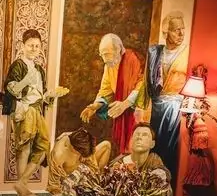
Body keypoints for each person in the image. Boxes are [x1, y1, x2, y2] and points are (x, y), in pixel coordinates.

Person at [136, 11, 189, 184]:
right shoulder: (155, 52)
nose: (181, 33)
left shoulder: (188, 53)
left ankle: (166, 184)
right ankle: (149, 184)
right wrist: (138, 107)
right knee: (153, 145)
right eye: (176, 30)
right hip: (156, 108)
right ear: (166, 32)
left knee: (170, 149)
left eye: (182, 29)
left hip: (175, 110)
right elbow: (145, 83)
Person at [2, 29, 50, 196]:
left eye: (37, 46)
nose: (33, 49)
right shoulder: (18, 65)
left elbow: (40, 94)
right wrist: (25, 81)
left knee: (43, 147)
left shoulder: (39, 69)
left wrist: (49, 97)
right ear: (22, 46)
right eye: (30, 45)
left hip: (37, 110)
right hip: (24, 109)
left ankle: (21, 183)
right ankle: (22, 190)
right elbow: (12, 89)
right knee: (24, 147)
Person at [80, 33, 144, 154]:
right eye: (102, 55)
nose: (104, 59)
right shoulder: (109, 65)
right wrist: (95, 106)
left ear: (118, 49)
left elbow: (142, 85)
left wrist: (125, 104)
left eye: (107, 54)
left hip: (138, 115)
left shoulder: (133, 59)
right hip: (121, 115)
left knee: (136, 148)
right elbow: (105, 90)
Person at [46, 127, 112, 196]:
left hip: (83, 171)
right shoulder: (59, 154)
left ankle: (99, 182)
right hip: (69, 182)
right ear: (74, 149)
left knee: (106, 145)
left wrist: (97, 176)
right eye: (81, 154)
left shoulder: (80, 137)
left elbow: (92, 163)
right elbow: (53, 185)